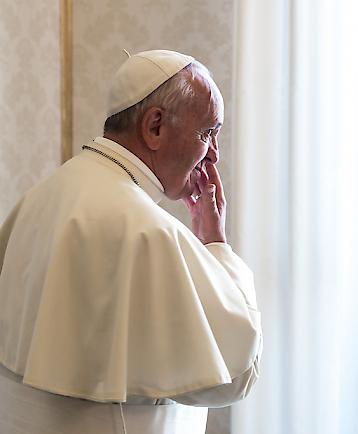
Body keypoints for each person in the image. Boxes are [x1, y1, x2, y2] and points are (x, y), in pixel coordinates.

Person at [0, 50, 262, 433]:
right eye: (208, 133)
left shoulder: (39, 197)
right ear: (155, 126)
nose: (214, 155)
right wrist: (215, 243)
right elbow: (236, 373)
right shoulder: (149, 232)